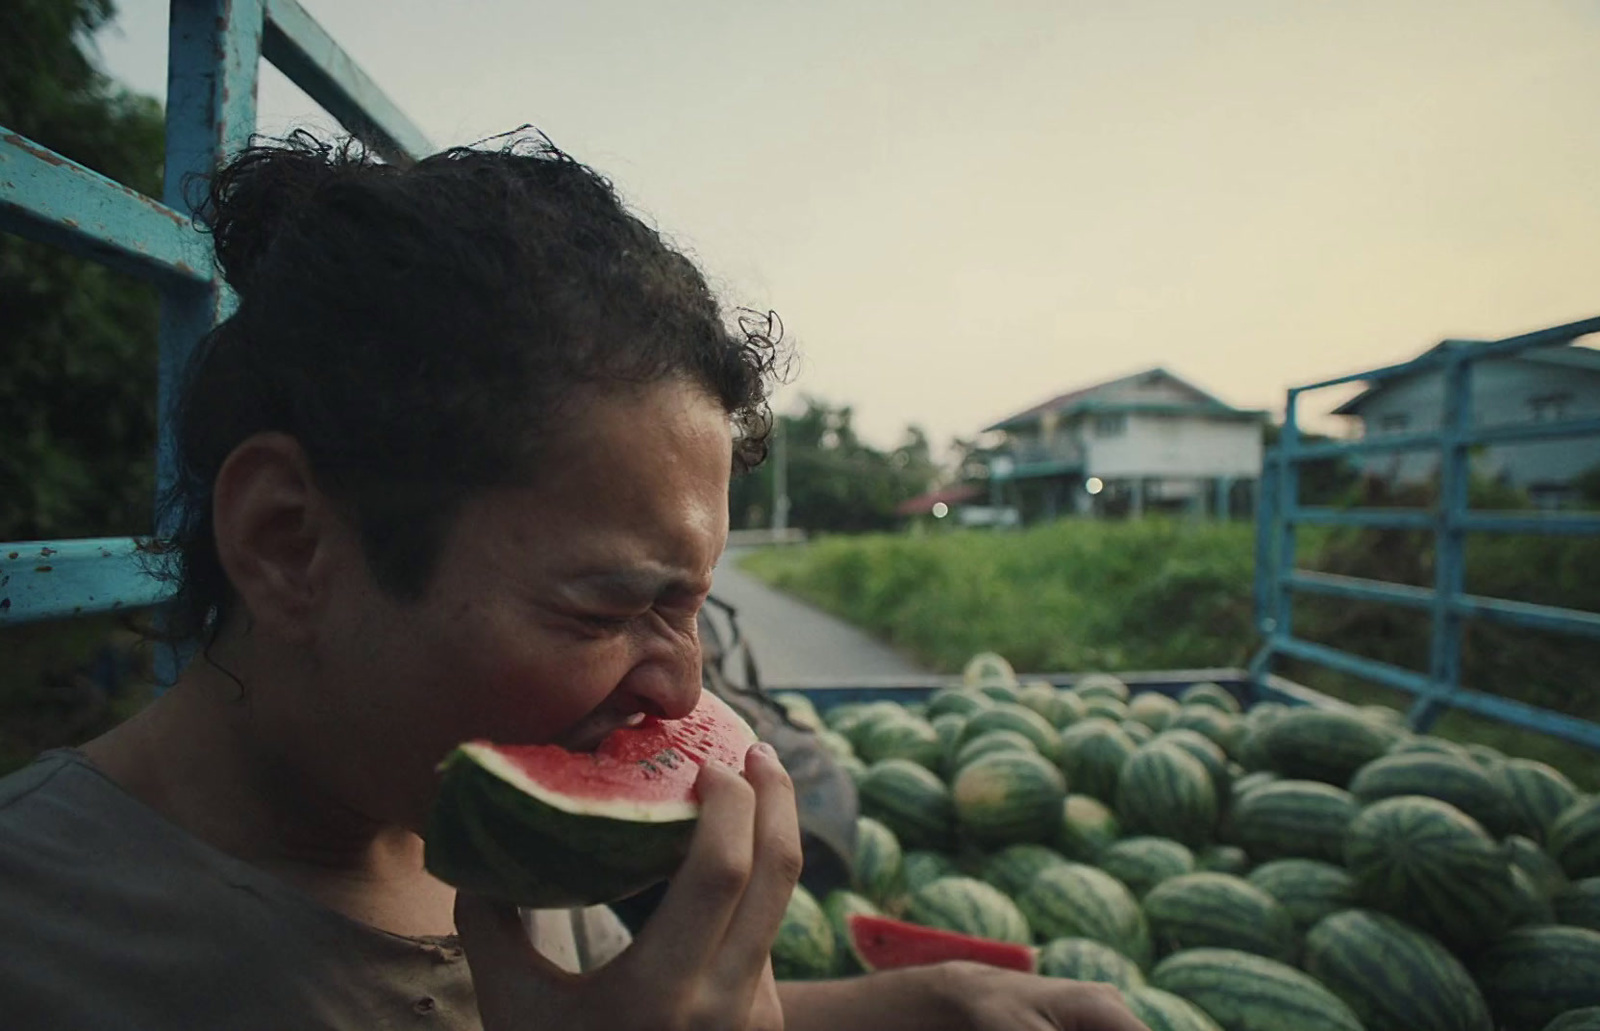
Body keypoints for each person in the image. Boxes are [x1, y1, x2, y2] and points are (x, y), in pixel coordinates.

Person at [0, 130, 1147, 1031]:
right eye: (607, 607)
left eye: (688, 603)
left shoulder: (477, 825)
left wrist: (929, 1003)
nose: (680, 684)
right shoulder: (43, 948)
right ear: (290, 540)